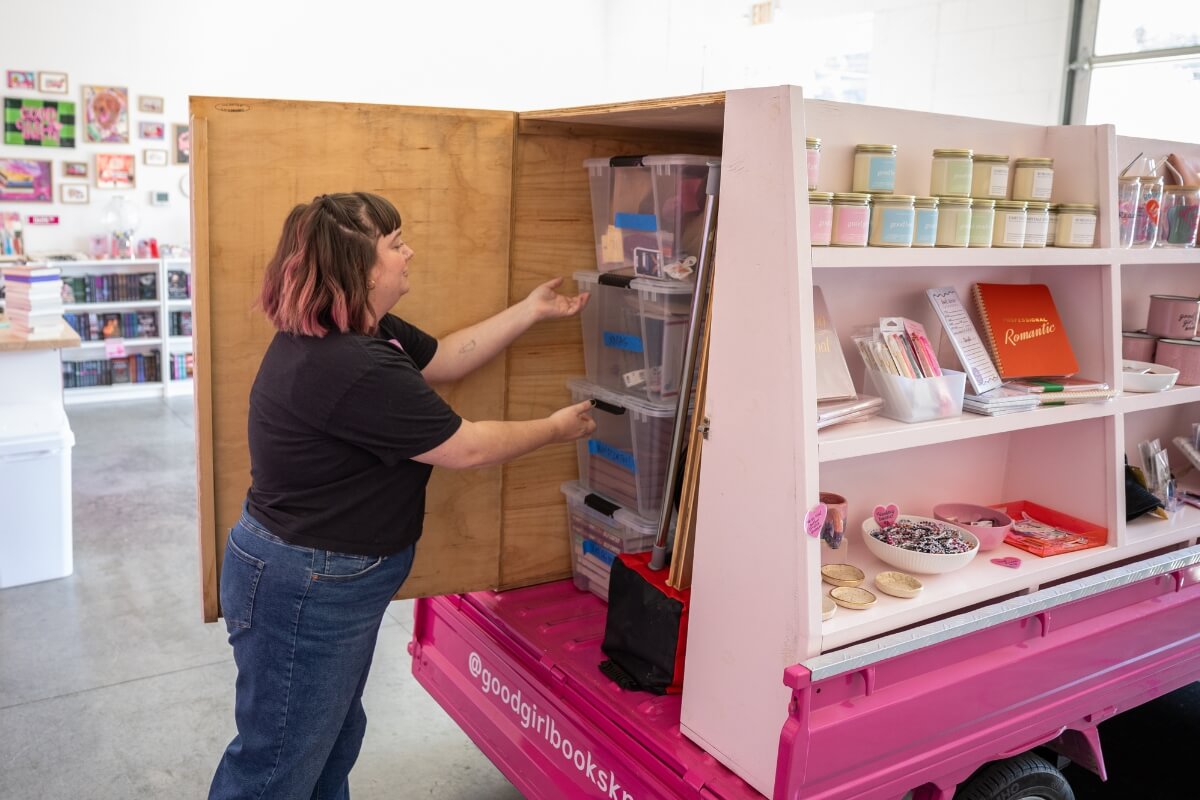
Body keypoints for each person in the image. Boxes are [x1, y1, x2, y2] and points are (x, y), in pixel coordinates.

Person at [209, 191, 596, 799]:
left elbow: (444, 358)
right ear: (358, 266)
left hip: (323, 579)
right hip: (307, 583)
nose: (408, 251)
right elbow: (465, 447)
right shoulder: (349, 363)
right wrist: (557, 428)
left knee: (328, 743)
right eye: (394, 244)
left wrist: (529, 310)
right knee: (277, 765)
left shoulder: (364, 330)